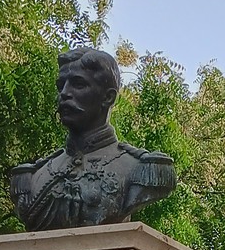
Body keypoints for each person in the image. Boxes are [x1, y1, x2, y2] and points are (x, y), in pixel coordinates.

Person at [11, 47, 176, 231]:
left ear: (108, 97)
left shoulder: (142, 169)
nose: (64, 93)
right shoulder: (32, 177)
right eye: (61, 86)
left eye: (78, 84)